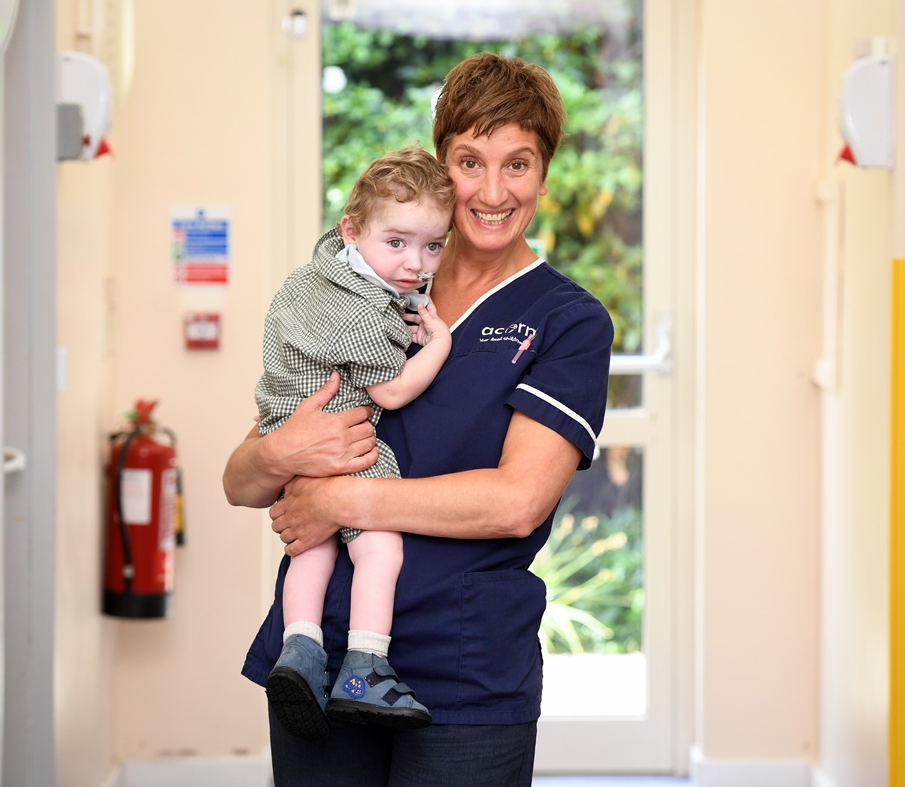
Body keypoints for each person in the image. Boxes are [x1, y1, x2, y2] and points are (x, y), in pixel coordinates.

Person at [223, 52, 613, 786]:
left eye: (518, 164)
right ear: (442, 164)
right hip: (318, 661)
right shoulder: (372, 281)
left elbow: (516, 501)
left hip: (462, 671)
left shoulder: (568, 321)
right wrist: (283, 453)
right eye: (470, 161)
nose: (493, 191)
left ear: (546, 171)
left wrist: (337, 498)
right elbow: (240, 481)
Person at [253, 145, 456, 740]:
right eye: (396, 243)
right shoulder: (362, 313)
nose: (416, 263)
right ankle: (365, 666)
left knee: (310, 548)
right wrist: (437, 345)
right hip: (343, 445)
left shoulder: (315, 276)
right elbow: (390, 394)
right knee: (379, 549)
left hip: (288, 434)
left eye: (432, 246)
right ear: (352, 231)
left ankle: (300, 651)